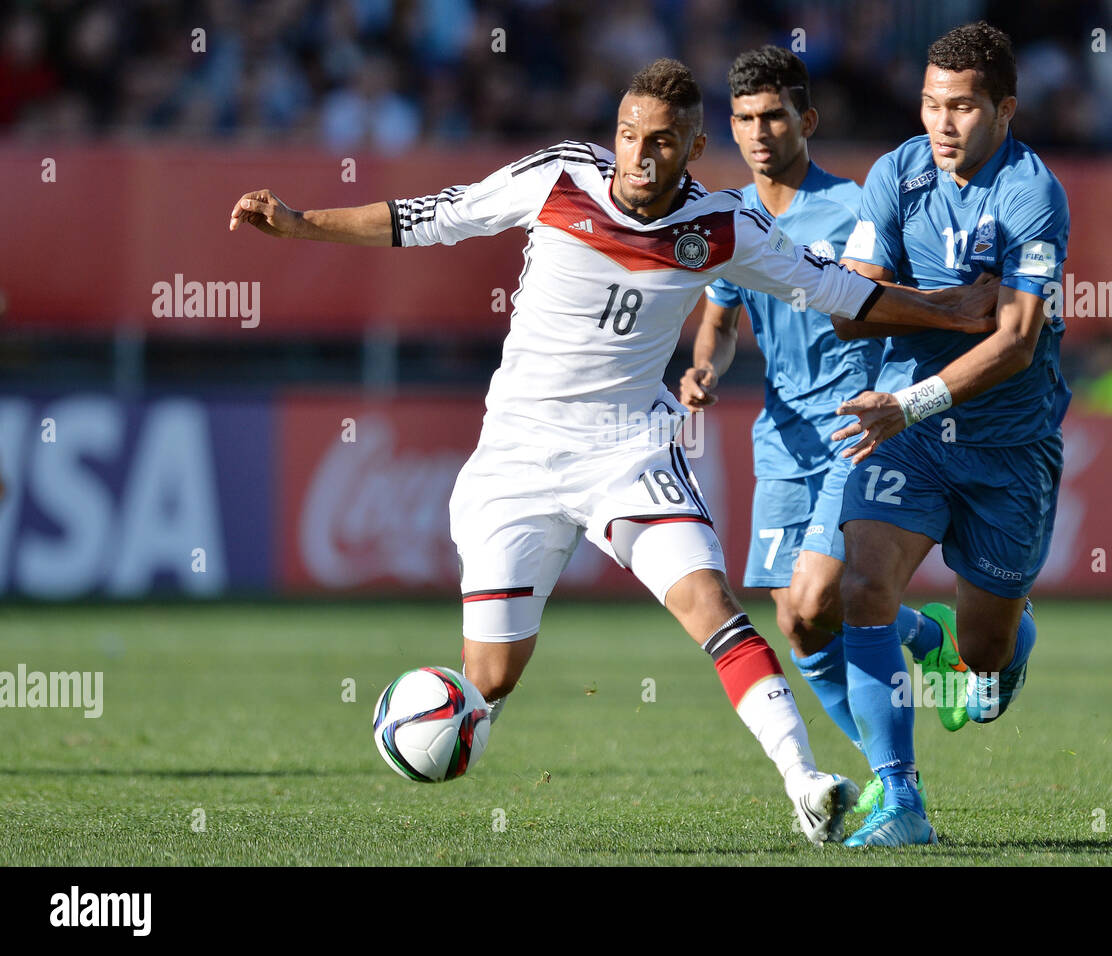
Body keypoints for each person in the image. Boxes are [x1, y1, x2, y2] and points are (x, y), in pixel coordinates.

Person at [230, 58, 995, 846]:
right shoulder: (559, 178)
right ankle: (443, 712)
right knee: (489, 682)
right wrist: (301, 222)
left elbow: (844, 293)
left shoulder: (723, 227)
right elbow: (434, 215)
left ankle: (807, 782)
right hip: (515, 462)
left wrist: (956, 312)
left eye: (661, 142)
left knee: (713, 607)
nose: (639, 155)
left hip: (626, 453)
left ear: (693, 149)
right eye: (629, 135)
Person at [679, 46, 936, 815]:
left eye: (774, 116)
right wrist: (706, 367)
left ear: (807, 121)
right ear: (731, 125)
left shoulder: (856, 208)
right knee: (797, 622)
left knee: (829, 593)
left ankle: (900, 793)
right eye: (746, 119)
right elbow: (719, 322)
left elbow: (900, 305)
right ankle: (926, 644)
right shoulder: (731, 221)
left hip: (857, 428)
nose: (760, 132)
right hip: (782, 439)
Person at [833, 22, 1071, 846]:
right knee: (857, 590)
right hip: (911, 434)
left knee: (983, 650)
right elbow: (848, 304)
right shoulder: (896, 173)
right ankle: (900, 801)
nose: (942, 123)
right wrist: (943, 310)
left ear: (1004, 108)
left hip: (1008, 445)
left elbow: (1014, 342)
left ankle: (998, 645)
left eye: (963, 107)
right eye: (932, 104)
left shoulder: (1031, 193)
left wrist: (914, 390)